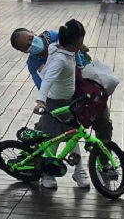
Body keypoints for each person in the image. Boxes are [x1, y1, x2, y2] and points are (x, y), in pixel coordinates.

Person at [31, 20, 93, 190]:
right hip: (53, 102)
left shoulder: (64, 48)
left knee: (72, 136)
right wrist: (40, 101)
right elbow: (49, 79)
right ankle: (47, 173)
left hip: (68, 101)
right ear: (78, 41)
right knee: (52, 138)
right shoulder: (60, 59)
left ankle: (79, 170)